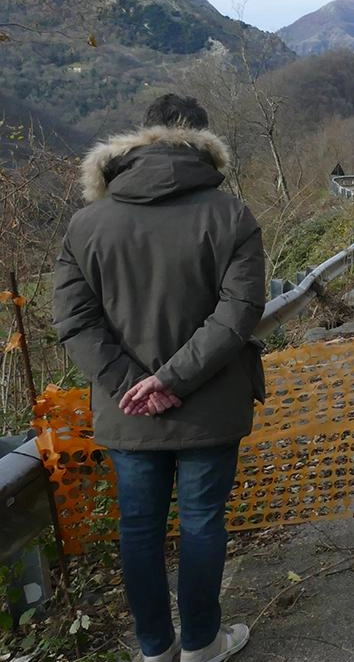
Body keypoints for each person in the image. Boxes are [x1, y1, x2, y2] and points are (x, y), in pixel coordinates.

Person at [53, 94, 266, 662]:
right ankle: (202, 644)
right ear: (203, 142)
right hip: (212, 402)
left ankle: (154, 649)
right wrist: (174, 379)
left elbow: (74, 319)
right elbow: (240, 310)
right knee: (200, 524)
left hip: (127, 411)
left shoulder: (87, 223)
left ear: (140, 136)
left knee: (139, 530)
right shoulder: (230, 215)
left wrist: (131, 384)